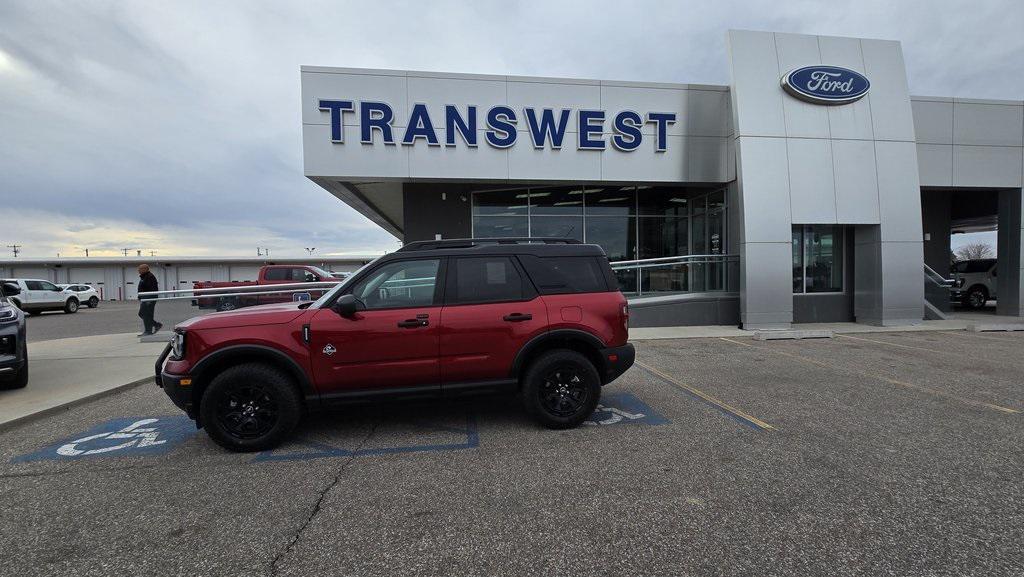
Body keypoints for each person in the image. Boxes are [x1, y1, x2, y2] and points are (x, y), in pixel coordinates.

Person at [137, 264, 163, 336]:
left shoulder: (150, 277)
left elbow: (152, 289)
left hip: (148, 299)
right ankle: (155, 325)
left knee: (146, 314)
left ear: (145, 269)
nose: (138, 270)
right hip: (145, 299)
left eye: (140, 269)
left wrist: (150, 300)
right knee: (143, 314)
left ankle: (148, 331)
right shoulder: (144, 277)